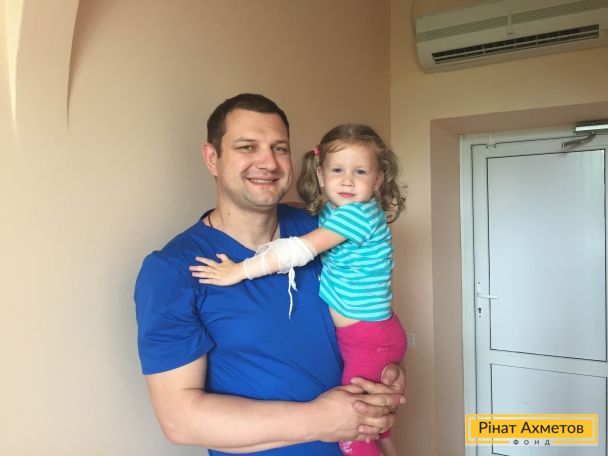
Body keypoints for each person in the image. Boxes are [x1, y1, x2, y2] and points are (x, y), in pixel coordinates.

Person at [134, 93, 406, 456]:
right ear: (212, 158)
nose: (268, 162)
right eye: (247, 147)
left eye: (279, 148)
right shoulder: (173, 270)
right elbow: (180, 421)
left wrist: (387, 373)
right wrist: (320, 420)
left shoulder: (318, 227)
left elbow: (366, 309)